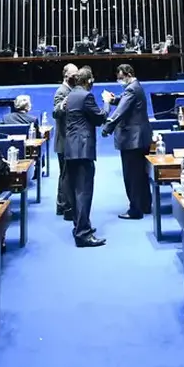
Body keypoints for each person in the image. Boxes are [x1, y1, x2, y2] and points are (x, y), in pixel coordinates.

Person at [62, 67, 106, 247]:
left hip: (70, 148)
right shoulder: (87, 96)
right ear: (88, 80)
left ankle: (80, 225)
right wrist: (107, 102)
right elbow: (100, 118)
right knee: (84, 192)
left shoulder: (71, 94)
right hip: (82, 149)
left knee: (74, 191)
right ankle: (83, 234)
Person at [102, 63, 152, 219]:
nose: (119, 80)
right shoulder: (136, 86)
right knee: (142, 174)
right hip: (142, 137)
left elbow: (120, 112)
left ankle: (135, 210)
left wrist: (107, 128)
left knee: (132, 176)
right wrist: (114, 99)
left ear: (129, 74)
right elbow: (125, 101)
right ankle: (145, 205)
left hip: (132, 140)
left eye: (121, 77)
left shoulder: (130, 89)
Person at [52, 63, 78, 219]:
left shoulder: (71, 90)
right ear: (66, 75)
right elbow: (56, 111)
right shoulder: (61, 91)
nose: (76, 76)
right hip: (64, 140)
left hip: (69, 139)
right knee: (65, 174)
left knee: (66, 174)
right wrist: (63, 104)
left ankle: (62, 205)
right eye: (73, 74)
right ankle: (64, 206)